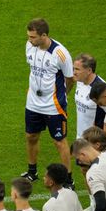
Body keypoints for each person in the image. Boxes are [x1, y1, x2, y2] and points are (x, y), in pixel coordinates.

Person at [22, 18, 73, 182]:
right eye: (29, 36)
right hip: (33, 103)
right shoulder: (30, 46)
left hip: (53, 105)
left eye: (33, 37)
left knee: (59, 142)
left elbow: (70, 78)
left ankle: (68, 179)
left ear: (44, 35)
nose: (29, 40)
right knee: (31, 136)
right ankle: (32, 171)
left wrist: (63, 94)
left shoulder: (60, 54)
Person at [72, 53, 105, 138]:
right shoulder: (80, 81)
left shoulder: (100, 88)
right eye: (73, 69)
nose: (74, 73)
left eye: (77, 69)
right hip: (80, 136)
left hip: (94, 140)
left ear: (89, 71)